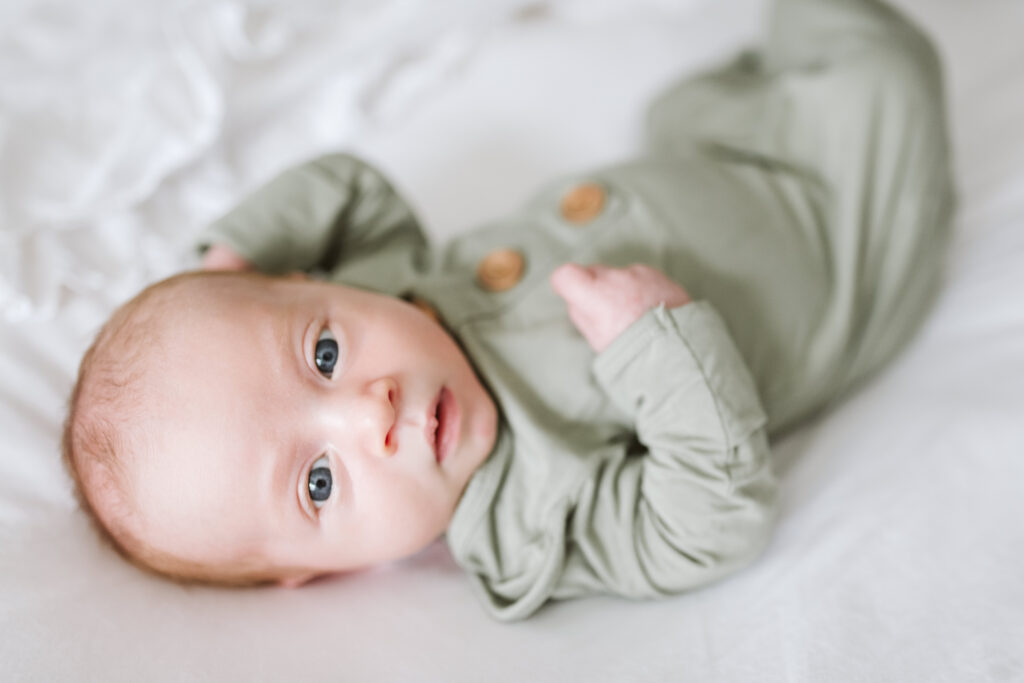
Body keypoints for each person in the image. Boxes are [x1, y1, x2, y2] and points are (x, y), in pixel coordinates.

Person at [61, 0, 954, 621]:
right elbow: (709, 526)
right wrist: (654, 348)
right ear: (317, 571)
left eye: (324, 354)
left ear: (312, 285)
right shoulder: (525, 520)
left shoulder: (386, 278)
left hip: (717, 142)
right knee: (884, 66)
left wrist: (232, 259)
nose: (367, 410)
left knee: (732, 80)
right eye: (319, 482)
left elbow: (347, 186)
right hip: (843, 250)